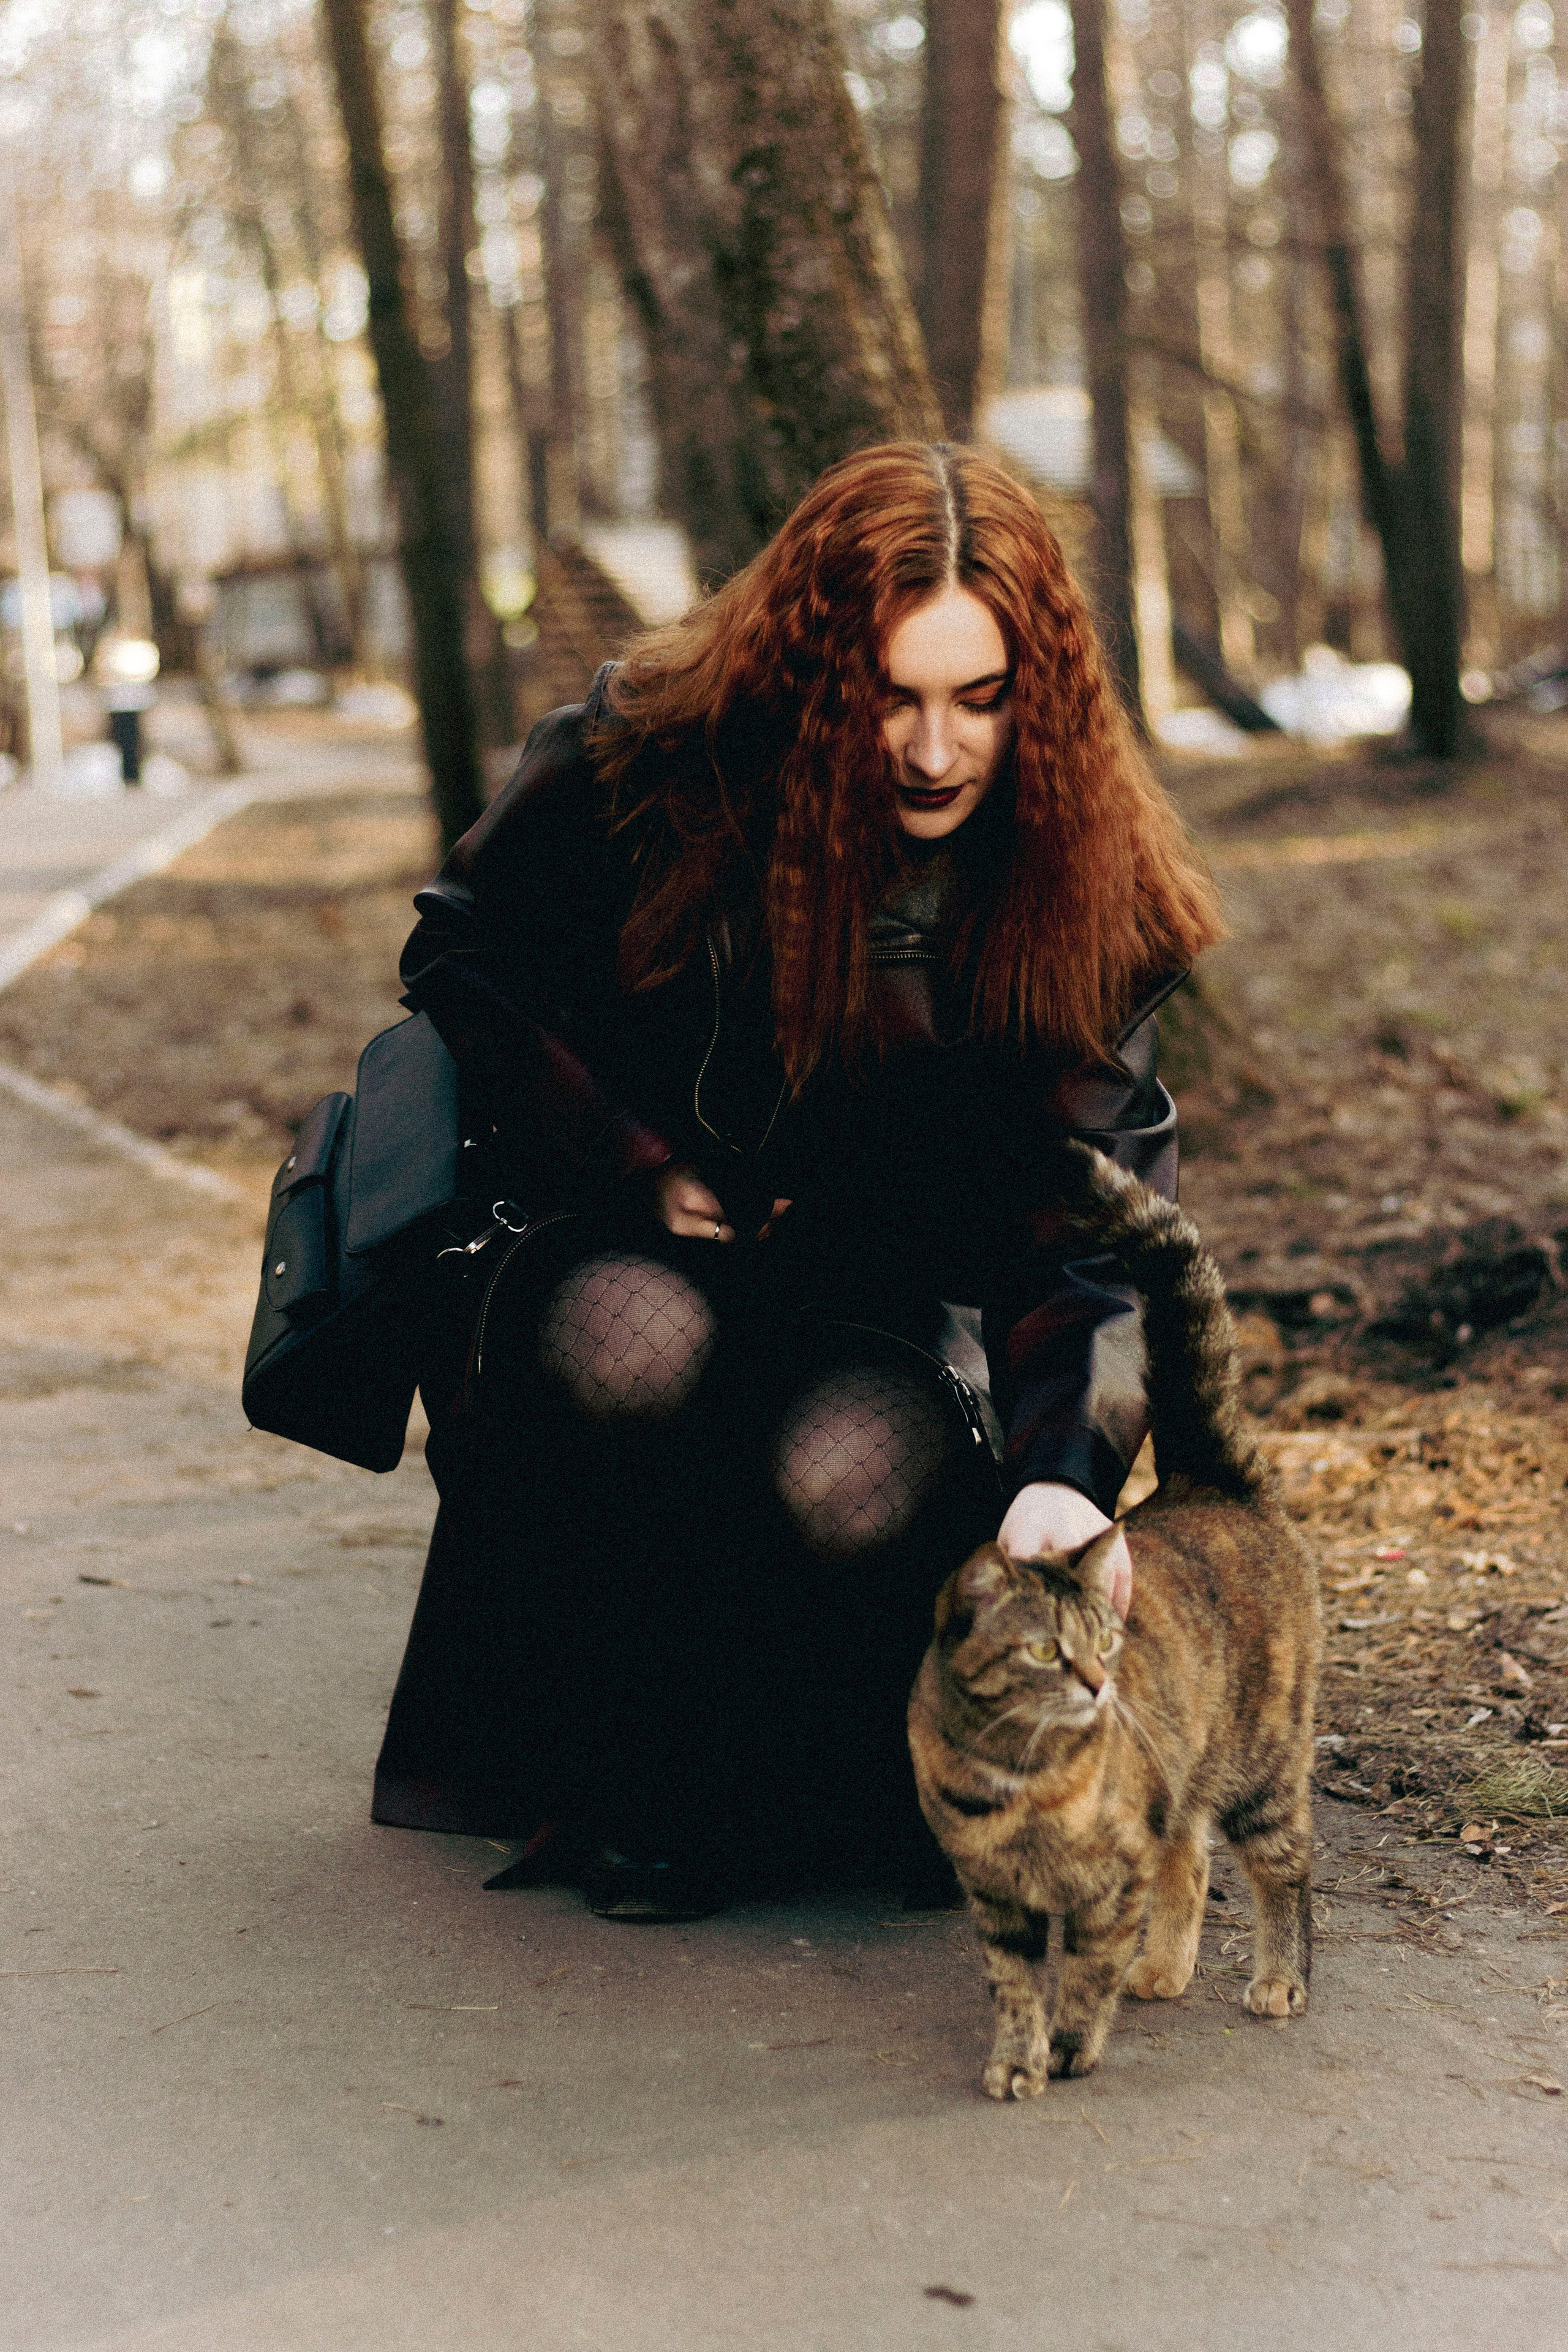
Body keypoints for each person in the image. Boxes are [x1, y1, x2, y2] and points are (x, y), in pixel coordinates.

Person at [372, 442, 1224, 1918]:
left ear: (1042, 696)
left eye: (979, 700)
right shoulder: (647, 760)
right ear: (814, 675)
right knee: (643, 1346)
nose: (935, 751)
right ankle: (630, 1767)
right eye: (890, 698)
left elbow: (1095, 1227)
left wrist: (1064, 1483)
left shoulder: (1083, 885)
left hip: (860, 1294)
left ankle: (770, 1773)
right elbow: (465, 954)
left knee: (849, 1476)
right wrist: (629, 1153)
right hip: (600, 1234)